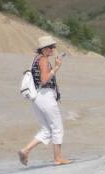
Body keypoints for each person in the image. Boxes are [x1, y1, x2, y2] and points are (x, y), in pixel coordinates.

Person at [18, 35, 70, 166]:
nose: (53, 49)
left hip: (37, 98)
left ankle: (25, 150)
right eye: (51, 47)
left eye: (53, 47)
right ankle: (58, 158)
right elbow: (44, 80)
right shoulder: (43, 60)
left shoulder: (36, 59)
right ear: (44, 49)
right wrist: (56, 67)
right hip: (45, 96)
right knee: (57, 127)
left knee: (46, 129)